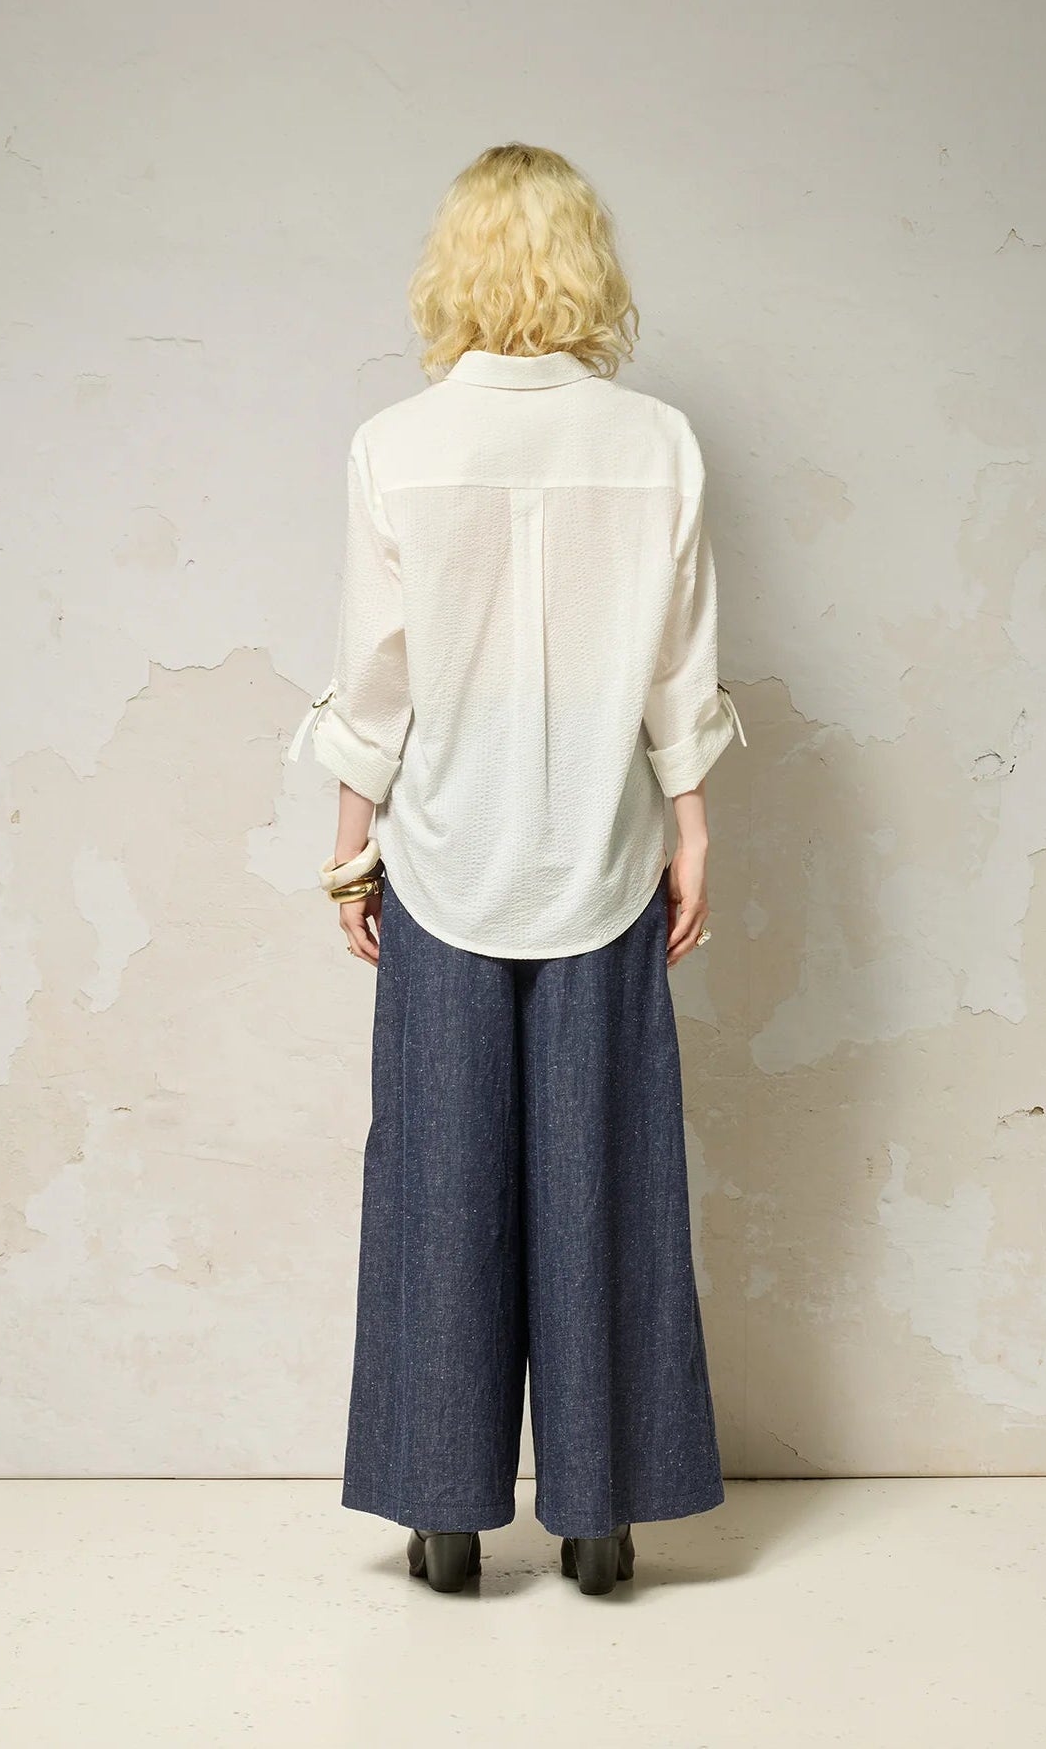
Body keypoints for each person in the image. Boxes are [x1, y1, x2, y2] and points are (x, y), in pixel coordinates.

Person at [288, 142, 747, 1596]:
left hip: (445, 857)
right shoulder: (656, 441)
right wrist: (691, 825)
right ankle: (603, 1520)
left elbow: (378, 672)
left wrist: (350, 845)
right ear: (586, 265)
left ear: (457, 266)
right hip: (604, 855)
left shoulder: (396, 444)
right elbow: (678, 666)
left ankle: (443, 1518)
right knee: (611, 1179)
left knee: (437, 1180)